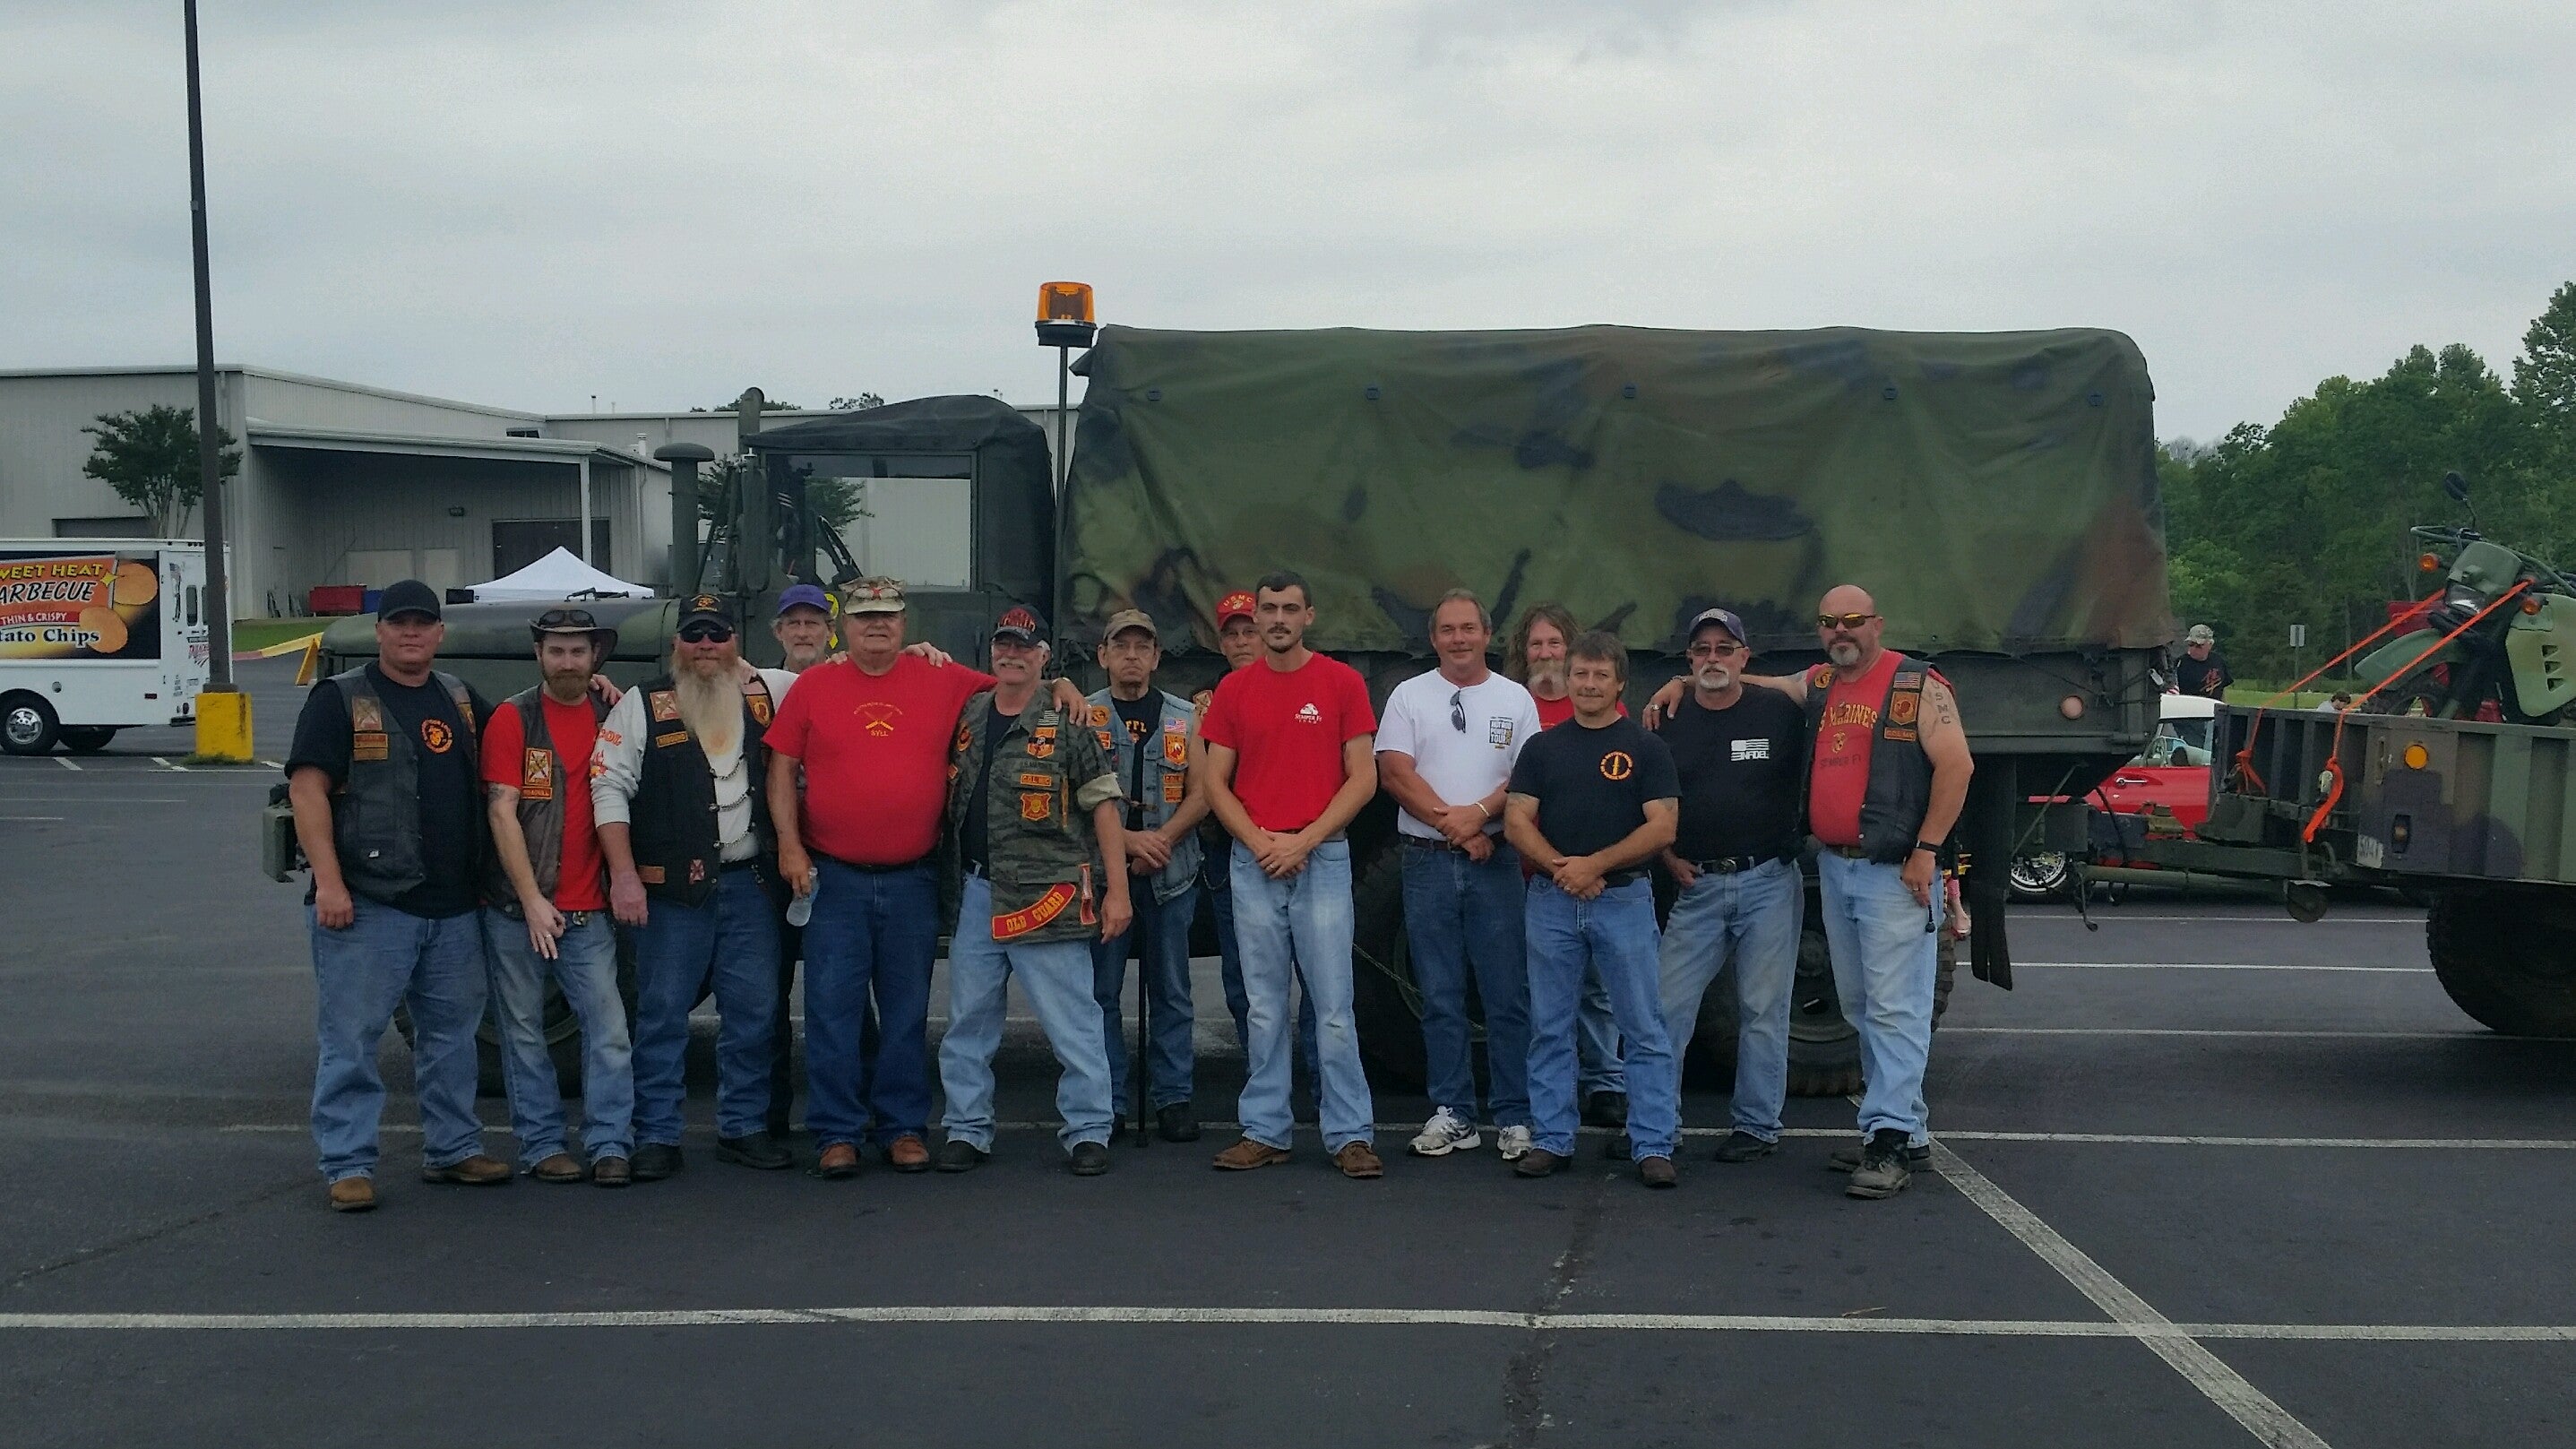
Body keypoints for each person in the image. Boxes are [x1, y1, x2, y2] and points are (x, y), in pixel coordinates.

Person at [1653, 587, 1974, 1198]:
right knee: (1860, 1007)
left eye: (1852, 619)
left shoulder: (1914, 685)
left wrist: (1926, 851)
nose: (1840, 629)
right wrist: (1679, 681)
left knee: (1893, 1006)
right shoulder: (1825, 683)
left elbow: (1956, 765)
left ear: (1876, 623)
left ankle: (1885, 1144)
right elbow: (1761, 682)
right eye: (1829, 621)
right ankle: (1909, 1133)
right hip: (1836, 867)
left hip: (1892, 868)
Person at [766, 577, 1088, 1178]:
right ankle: (836, 1132)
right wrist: (789, 845)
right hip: (832, 876)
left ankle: (902, 1128)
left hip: (913, 878)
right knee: (831, 1010)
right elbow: (781, 766)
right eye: (864, 617)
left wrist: (1061, 681)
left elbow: (1015, 683)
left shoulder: (943, 678)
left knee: (908, 1010)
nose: (877, 627)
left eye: (887, 616)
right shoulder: (814, 685)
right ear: (845, 626)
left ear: (904, 622)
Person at [285, 579, 506, 1212]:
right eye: (399, 622)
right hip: (368, 902)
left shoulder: (459, 698)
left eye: (423, 623)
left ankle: (454, 1148)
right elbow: (307, 790)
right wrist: (328, 881)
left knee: (451, 1038)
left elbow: (521, 728)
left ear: (440, 633)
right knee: (351, 1039)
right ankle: (347, 1163)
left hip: (454, 905)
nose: (411, 633)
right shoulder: (339, 699)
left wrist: (595, 688)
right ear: (379, 631)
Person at [593, 593, 797, 1180]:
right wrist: (624, 875)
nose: (705, 645)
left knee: (754, 1013)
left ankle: (743, 1126)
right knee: (660, 1014)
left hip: (750, 888)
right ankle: (656, 1134)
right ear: (676, 643)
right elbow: (608, 788)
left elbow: (840, 672)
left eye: (716, 633)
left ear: (736, 641)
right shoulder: (639, 703)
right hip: (670, 894)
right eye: (694, 634)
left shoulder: (770, 692)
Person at [1198, 571, 1383, 1178]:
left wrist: (1303, 840)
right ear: (1255, 617)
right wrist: (1258, 842)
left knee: (1332, 1006)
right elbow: (1214, 783)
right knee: (1263, 1007)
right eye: (1267, 609)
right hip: (1254, 862)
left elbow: (1363, 777)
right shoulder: (1233, 691)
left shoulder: (1341, 683)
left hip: (1321, 858)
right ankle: (1265, 1129)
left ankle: (1349, 1133)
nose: (1276, 619)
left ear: (1309, 615)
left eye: (1288, 609)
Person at [935, 608, 1133, 1174]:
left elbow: (1103, 805)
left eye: (1024, 647)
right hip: (977, 890)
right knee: (968, 1019)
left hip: (1050, 895)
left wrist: (1117, 892)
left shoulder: (1070, 719)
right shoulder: (971, 711)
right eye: (1003, 645)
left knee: (1072, 1020)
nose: (1011, 654)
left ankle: (1089, 1128)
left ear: (1044, 656)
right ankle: (967, 1128)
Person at [1503, 631, 1682, 1188]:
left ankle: (1652, 1143)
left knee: (1644, 1026)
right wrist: (1564, 869)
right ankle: (1553, 1140)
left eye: (1600, 676)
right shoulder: (1542, 748)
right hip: (1552, 902)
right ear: (1568, 677)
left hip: (1624, 901)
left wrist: (1595, 865)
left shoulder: (1646, 749)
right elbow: (1515, 821)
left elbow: (1663, 825)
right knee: (1549, 1028)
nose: (1587, 684)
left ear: (1619, 684)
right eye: (1580, 674)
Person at [1375, 589, 1540, 1160]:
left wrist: (1479, 819)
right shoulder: (1408, 696)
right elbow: (1396, 773)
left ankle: (1516, 1115)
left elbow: (1525, 775)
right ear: (1434, 638)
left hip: (1494, 865)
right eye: (1448, 629)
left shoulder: (1515, 698)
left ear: (1487, 634)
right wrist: (1457, 826)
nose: (1459, 638)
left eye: (1468, 628)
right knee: (1440, 994)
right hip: (1426, 863)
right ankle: (1454, 1113)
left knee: (1507, 995)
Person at [479, 608, 633, 1187]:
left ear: (596, 655)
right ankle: (543, 1145)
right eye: (556, 650)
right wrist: (533, 899)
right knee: (522, 1031)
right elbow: (502, 809)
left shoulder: (614, 713)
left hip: (589, 909)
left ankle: (611, 1142)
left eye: (578, 650)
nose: (567, 661)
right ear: (539, 653)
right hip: (517, 910)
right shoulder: (513, 719)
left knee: (609, 1029)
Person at [1650, 608, 1808, 1164]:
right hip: (1696, 886)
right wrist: (1665, 853)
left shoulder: (1781, 712)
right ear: (1689, 660)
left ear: (1745, 656)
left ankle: (1758, 1126)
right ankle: (1653, 1128)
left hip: (1768, 879)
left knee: (1763, 1009)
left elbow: (1819, 685)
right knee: (1666, 1007)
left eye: (1725, 648)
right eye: (1701, 651)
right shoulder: (1664, 717)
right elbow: (1645, 799)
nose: (1712, 659)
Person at [1088, 608, 1210, 1143]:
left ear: (1157, 658)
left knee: (1173, 991)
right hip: (1105, 872)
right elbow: (1070, 798)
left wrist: (1160, 841)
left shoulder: (1186, 718)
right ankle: (1106, 1100)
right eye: (1122, 646)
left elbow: (1205, 793)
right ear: (1103, 655)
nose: (1132, 656)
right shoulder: (1081, 716)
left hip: (1172, 872)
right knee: (1101, 994)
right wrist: (1128, 843)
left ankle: (1174, 1097)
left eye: (1143, 647)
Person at [1504, 602, 1628, 1130]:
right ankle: (1554, 1100)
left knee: (1598, 990)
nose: (1546, 653)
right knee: (1544, 996)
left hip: (1597, 880)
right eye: (1536, 644)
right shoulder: (1514, 708)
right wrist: (1554, 865)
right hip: (1534, 877)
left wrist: (1589, 867)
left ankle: (1605, 1080)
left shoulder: (1609, 716)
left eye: (1555, 643)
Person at [1193, 590, 1319, 1090]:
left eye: (1250, 630)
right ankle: (1264, 1081)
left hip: (1300, 848)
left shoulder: (1297, 685)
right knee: (1246, 981)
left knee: (1316, 979)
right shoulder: (1206, 702)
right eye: (1233, 634)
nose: (1243, 641)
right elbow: (1205, 782)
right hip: (1234, 853)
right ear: (1221, 644)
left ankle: (1316, 1081)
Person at [2175, 624, 2233, 700]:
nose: (2194, 649)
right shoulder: (2180, 663)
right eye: (2191, 644)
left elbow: (2222, 689)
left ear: (2209, 645)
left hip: (2215, 707)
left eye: (2199, 646)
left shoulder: (2218, 661)